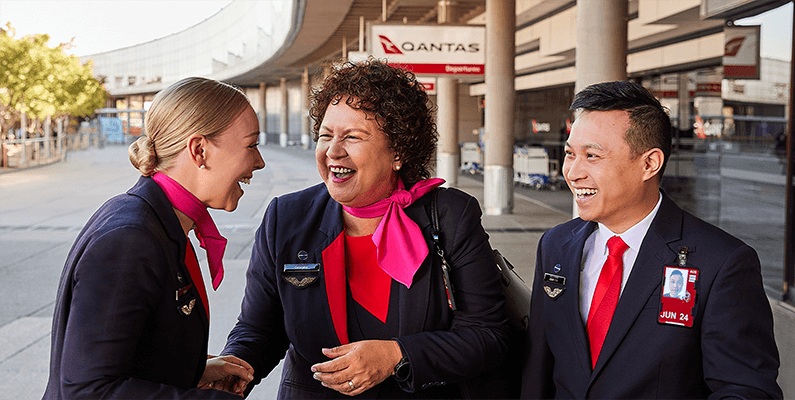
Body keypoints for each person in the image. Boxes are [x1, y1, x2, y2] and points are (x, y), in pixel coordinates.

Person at [221, 60, 510, 399]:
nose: (333, 151)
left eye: (352, 137)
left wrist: (397, 355)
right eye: (326, 135)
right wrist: (234, 367)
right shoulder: (287, 217)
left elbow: (489, 335)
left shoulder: (450, 216)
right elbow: (259, 328)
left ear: (398, 150)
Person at [521, 81, 781, 399]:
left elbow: (745, 389)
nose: (573, 172)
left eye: (592, 156)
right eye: (570, 154)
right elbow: (538, 370)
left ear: (649, 163)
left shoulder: (722, 263)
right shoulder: (555, 245)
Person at [44, 77, 264, 399]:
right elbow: (89, 390)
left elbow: (130, 358)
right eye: (251, 145)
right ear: (199, 150)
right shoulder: (130, 240)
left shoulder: (154, 219)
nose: (258, 162)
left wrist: (192, 370)